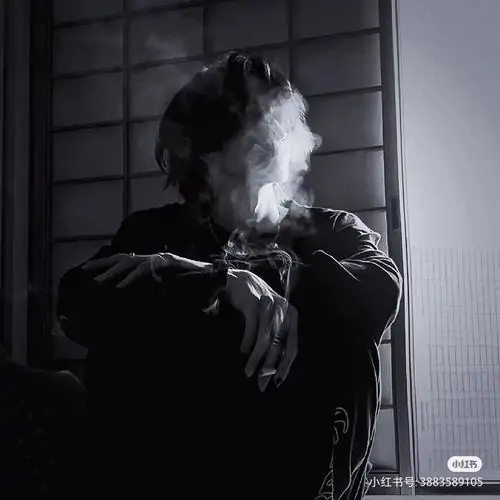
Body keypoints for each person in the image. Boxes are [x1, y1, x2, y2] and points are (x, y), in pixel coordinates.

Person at [57, 51, 402, 499]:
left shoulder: (332, 230)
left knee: (338, 314)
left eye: (274, 115)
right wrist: (213, 284)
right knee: (141, 306)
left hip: (301, 464)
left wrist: (258, 277)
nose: (270, 129)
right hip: (186, 463)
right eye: (248, 118)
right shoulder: (155, 234)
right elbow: (77, 302)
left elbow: (380, 291)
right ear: (204, 150)